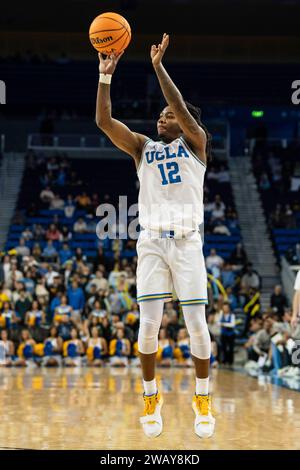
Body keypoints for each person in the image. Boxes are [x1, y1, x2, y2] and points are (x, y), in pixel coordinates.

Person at [96, 33, 215, 438]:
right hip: (150, 242)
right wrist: (105, 77)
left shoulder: (196, 144)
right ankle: (151, 395)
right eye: (160, 115)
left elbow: (180, 106)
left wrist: (158, 67)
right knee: (148, 327)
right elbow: (104, 122)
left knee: (197, 323)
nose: (160, 118)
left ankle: (202, 398)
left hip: (186, 242)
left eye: (167, 116)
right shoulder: (143, 147)